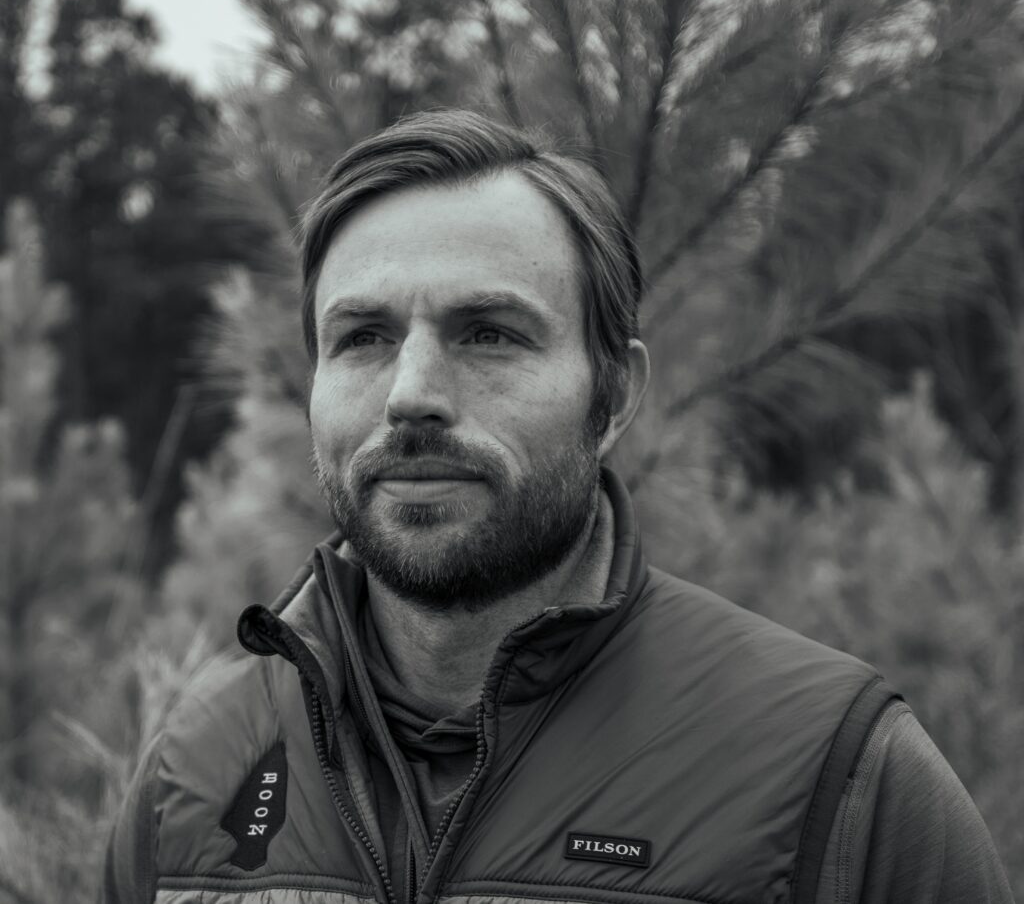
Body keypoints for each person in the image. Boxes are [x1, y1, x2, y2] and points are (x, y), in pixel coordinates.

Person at [102, 109, 1014, 904]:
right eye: (363, 337)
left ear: (613, 397)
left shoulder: (834, 771)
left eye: (488, 334)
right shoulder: (195, 770)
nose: (410, 393)